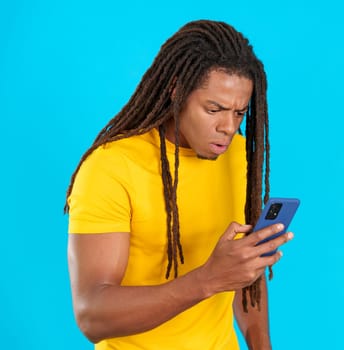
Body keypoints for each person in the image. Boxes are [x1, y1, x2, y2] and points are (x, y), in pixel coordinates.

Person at [65, 19, 293, 350]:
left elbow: (243, 273)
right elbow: (92, 316)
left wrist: (261, 344)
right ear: (177, 89)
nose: (228, 127)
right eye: (213, 109)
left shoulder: (239, 156)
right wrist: (207, 280)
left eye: (239, 113)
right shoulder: (111, 168)